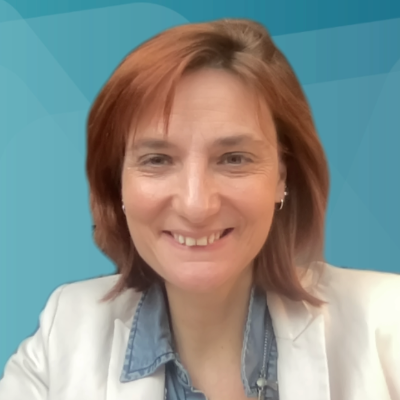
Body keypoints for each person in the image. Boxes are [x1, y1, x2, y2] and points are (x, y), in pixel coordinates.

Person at [0, 18, 399, 400]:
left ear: (282, 178)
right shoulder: (65, 331)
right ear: (117, 183)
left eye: (234, 159)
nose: (196, 205)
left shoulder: (386, 321)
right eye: (157, 160)